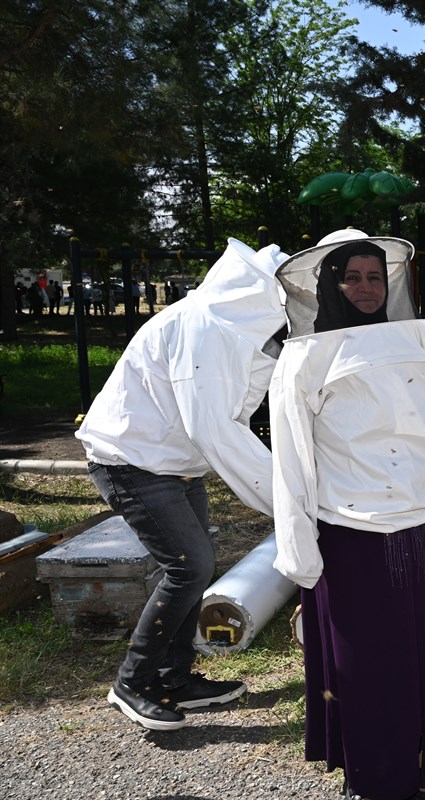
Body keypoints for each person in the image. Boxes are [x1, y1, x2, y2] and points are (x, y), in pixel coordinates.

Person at [271, 230, 425, 800]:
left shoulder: (415, 340)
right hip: (351, 526)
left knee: (421, 652)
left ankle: (423, 765)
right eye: (352, 277)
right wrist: (298, 545)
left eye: (374, 276)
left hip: (421, 519)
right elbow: (291, 458)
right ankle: (370, 772)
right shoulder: (302, 356)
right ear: (328, 285)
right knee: (363, 659)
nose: (366, 288)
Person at [76, 238, 287, 732]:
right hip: (132, 459)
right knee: (190, 566)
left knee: (194, 565)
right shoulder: (202, 328)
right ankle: (132, 681)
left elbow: (246, 405)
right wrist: (288, 503)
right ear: (266, 293)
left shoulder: (232, 329)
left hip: (173, 462)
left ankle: (175, 678)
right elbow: (215, 429)